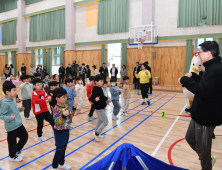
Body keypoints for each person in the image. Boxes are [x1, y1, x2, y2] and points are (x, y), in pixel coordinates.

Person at [178, 41, 222, 170]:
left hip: (206, 117)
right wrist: (194, 76)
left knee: (203, 151)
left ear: (208, 54)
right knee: (190, 138)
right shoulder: (211, 67)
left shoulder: (216, 70)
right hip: (198, 114)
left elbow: (203, 90)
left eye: (201, 52)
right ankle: (207, 158)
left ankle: (207, 164)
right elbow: (206, 81)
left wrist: (185, 80)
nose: (199, 56)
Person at [0, 81, 28, 162]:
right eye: (14, 90)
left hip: (19, 123)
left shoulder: (12, 99)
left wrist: (20, 109)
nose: (16, 92)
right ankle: (12, 157)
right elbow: (1, 115)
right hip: (11, 126)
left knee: (25, 137)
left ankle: (17, 150)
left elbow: (14, 110)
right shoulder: (4, 103)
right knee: (12, 143)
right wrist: (10, 118)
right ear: (7, 92)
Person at [52, 87, 77, 170]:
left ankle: (61, 163)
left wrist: (74, 108)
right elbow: (57, 122)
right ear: (57, 98)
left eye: (66, 96)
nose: (66, 98)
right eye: (63, 97)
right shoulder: (56, 109)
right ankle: (54, 166)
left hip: (66, 131)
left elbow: (70, 117)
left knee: (63, 148)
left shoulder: (66, 106)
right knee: (59, 150)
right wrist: (63, 116)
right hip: (59, 132)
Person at [91, 75, 111, 142]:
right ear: (96, 82)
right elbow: (92, 98)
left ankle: (97, 134)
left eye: (102, 81)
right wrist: (95, 99)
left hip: (102, 107)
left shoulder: (100, 88)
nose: (102, 82)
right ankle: (96, 133)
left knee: (99, 121)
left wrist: (107, 99)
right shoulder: (95, 89)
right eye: (101, 81)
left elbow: (102, 96)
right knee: (105, 122)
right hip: (98, 108)